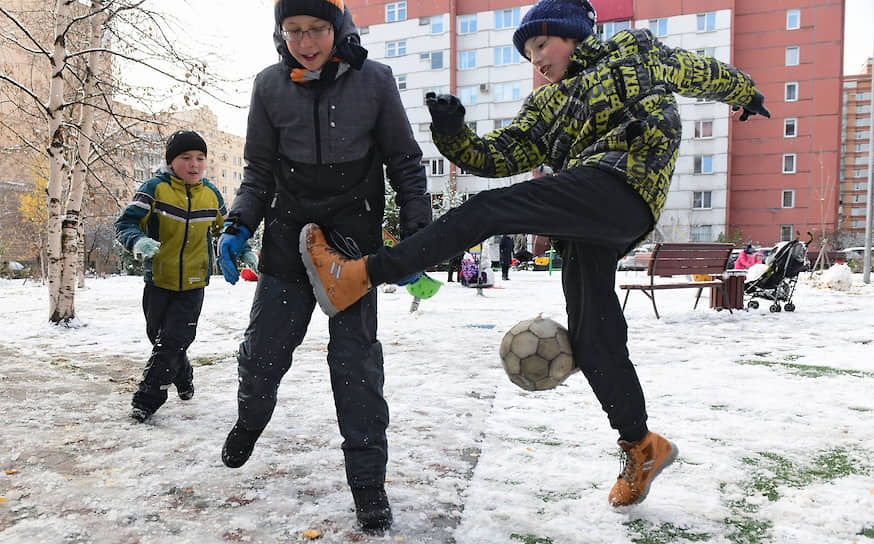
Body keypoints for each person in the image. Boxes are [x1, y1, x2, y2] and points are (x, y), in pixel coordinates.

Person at [300, 0, 771, 509]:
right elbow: (498, 155)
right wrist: (453, 132)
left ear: (572, 36)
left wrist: (746, 93)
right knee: (595, 338)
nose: (537, 61)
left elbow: (701, 71)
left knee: (485, 210)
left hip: (625, 181)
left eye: (542, 45)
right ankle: (642, 444)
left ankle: (362, 274)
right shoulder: (544, 106)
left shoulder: (635, 54)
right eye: (528, 54)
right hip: (590, 219)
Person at [215, 0, 431, 532]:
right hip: (288, 238)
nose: (306, 43)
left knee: (355, 365)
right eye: (293, 31)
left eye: (316, 30)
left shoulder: (375, 81)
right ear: (279, 33)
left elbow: (404, 162)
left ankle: (368, 485)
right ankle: (249, 420)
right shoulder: (268, 86)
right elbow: (258, 171)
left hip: (353, 241)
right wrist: (239, 221)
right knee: (263, 353)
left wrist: (418, 236)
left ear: (338, 29)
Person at [115, 130, 227, 423]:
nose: (194, 164)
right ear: (170, 161)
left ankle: (147, 399)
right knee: (159, 337)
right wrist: (137, 241)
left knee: (174, 339)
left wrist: (240, 252)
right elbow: (126, 223)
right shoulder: (154, 189)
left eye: (200, 158)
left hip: (193, 283)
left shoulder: (211, 194)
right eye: (186, 158)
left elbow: (227, 231)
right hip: (158, 280)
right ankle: (184, 374)